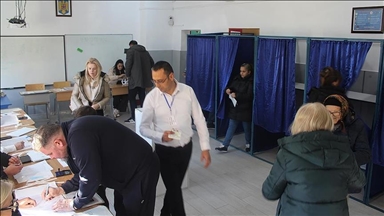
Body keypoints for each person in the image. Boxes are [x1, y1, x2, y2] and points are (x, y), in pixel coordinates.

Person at [32, 116, 160, 215]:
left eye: (50, 153)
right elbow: (84, 170)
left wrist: (73, 204)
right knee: (122, 209)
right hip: (124, 172)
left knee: (135, 212)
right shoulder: (70, 134)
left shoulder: (78, 137)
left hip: (140, 169)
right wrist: (62, 189)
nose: (52, 158)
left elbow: (90, 177)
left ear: (58, 143)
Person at [262, 103, 366, 216]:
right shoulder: (345, 151)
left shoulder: (287, 153)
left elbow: (269, 192)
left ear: (298, 122)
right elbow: (359, 183)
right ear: (328, 122)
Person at [140, 60, 211, 216]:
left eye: (160, 80)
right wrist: (160, 136)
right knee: (174, 190)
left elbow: (199, 119)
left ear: (171, 76)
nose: (156, 85)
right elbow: (143, 128)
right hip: (164, 151)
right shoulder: (152, 97)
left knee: (174, 188)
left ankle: (164, 213)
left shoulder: (187, 92)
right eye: (154, 80)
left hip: (185, 147)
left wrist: (205, 147)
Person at [323, 94, 371, 165]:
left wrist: (341, 159)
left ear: (343, 111)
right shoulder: (318, 123)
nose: (331, 115)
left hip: (346, 171)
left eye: (336, 112)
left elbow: (365, 154)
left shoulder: (355, 125)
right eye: (328, 112)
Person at [215, 63, 254, 153]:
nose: (241, 73)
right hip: (235, 108)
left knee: (247, 129)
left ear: (249, 72)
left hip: (245, 109)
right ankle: (225, 145)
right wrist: (228, 89)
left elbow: (249, 96)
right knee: (231, 127)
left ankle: (249, 144)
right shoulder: (237, 79)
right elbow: (232, 87)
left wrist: (237, 95)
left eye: (244, 71)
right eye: (241, 71)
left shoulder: (251, 82)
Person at [124, 40, 154, 123]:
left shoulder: (131, 51)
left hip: (134, 80)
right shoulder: (145, 52)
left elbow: (128, 64)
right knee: (142, 98)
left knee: (132, 98)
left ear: (131, 45)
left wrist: (127, 74)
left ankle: (134, 118)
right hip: (144, 80)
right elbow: (152, 63)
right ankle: (144, 117)